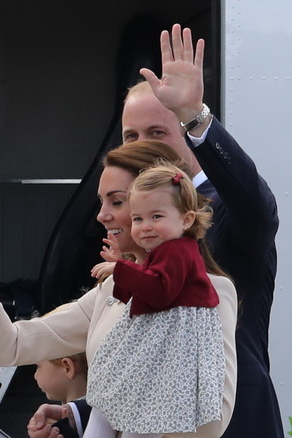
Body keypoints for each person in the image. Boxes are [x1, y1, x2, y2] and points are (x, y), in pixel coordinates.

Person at [0, 140, 238, 438]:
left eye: (117, 201)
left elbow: (211, 423)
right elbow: (8, 346)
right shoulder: (110, 292)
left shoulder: (211, 291)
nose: (101, 215)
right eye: (102, 201)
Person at [119, 24, 283, 438]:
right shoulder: (131, 225)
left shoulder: (227, 209)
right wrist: (79, 412)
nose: (142, 146)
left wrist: (195, 116)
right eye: (130, 136)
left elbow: (258, 208)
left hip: (231, 420)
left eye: (157, 132)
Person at [85, 163, 226, 437]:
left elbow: (161, 291)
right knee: (129, 401)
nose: (145, 227)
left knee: (143, 406)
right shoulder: (166, 251)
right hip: (158, 344)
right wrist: (123, 265)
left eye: (156, 216)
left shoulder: (178, 251)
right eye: (137, 219)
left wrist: (120, 269)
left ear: (186, 220)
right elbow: (142, 292)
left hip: (168, 346)